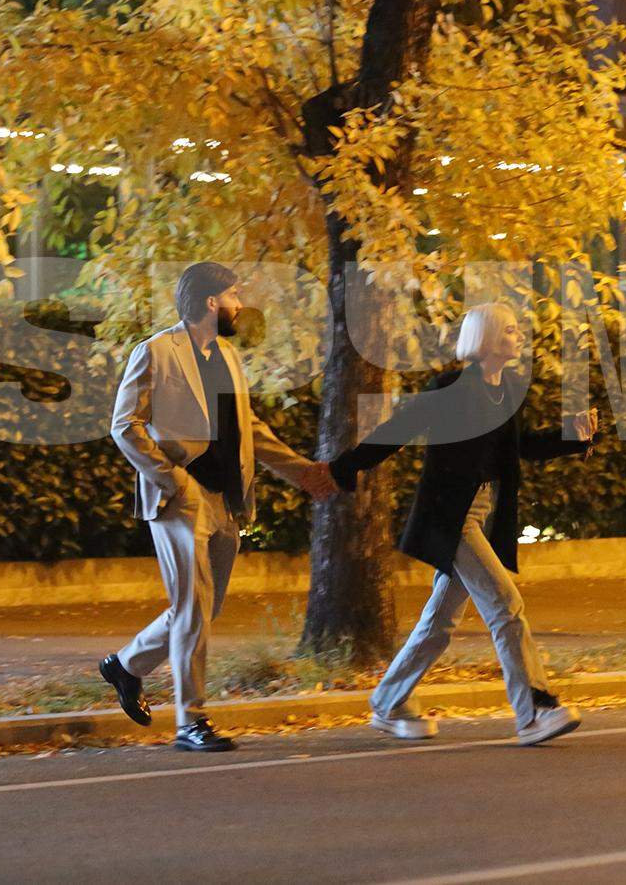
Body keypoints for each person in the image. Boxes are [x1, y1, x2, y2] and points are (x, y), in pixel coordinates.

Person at [330, 303, 598, 747]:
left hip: (481, 512)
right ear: (489, 339)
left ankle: (388, 701)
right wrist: (346, 467)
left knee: (439, 623)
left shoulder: (507, 388)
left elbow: (521, 448)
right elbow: (400, 428)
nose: (518, 336)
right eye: (511, 330)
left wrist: (573, 435)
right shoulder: (451, 387)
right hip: (451, 517)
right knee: (505, 606)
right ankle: (532, 712)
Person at [100, 262, 337, 751]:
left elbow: (247, 427)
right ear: (211, 302)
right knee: (191, 609)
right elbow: (125, 425)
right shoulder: (157, 351)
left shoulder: (227, 355)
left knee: (204, 609)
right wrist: (174, 479)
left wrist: (301, 471)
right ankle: (192, 721)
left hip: (227, 500)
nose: (239, 302)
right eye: (233, 294)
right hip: (179, 500)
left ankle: (125, 666)